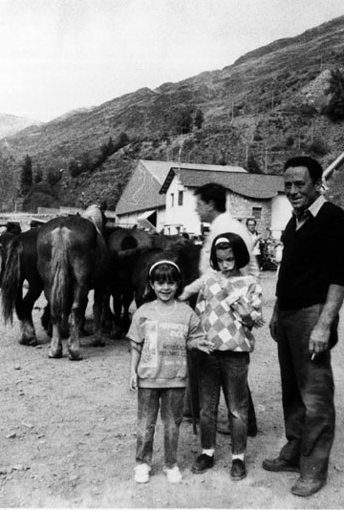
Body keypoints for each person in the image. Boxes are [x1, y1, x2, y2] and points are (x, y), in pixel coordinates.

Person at [263, 156, 344, 498]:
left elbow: (341, 275)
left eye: (299, 184)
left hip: (312, 316)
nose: (292, 191)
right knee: (292, 389)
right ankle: (293, 451)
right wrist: (276, 310)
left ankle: (314, 468)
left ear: (317, 184)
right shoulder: (294, 221)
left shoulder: (332, 218)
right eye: (287, 185)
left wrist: (324, 324)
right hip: (287, 314)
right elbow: (287, 270)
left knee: (315, 394)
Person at [126, 260, 212, 484]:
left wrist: (197, 344)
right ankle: (142, 463)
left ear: (178, 285)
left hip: (176, 379)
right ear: (152, 285)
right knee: (145, 424)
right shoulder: (144, 312)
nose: (165, 288)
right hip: (148, 379)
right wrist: (133, 372)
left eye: (170, 283)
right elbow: (135, 344)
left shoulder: (186, 312)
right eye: (160, 283)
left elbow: (194, 337)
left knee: (173, 424)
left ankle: (171, 464)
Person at [189, 233, 265, 481]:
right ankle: (207, 452)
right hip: (209, 354)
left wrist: (243, 310)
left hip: (236, 354)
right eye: (220, 260)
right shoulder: (209, 283)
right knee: (206, 408)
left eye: (230, 259)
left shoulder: (251, 283)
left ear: (240, 257)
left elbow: (254, 321)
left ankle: (238, 457)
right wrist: (196, 341)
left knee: (237, 409)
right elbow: (198, 314)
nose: (225, 264)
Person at [186, 182, 259, 437]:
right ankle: (224, 416)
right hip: (219, 300)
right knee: (223, 358)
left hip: (228, 304)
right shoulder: (224, 227)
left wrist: (187, 291)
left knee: (230, 359)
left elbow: (215, 273)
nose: (196, 210)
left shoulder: (227, 229)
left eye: (198, 205)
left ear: (209, 204)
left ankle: (240, 422)